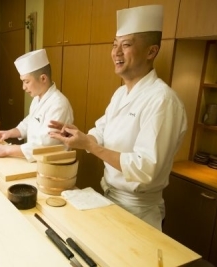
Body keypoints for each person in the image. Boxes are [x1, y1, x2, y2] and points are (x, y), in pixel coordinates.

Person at [49, 5, 187, 231]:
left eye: (126, 45)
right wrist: (79, 136)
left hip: (139, 211)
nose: (116, 53)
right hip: (109, 199)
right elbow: (101, 130)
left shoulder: (163, 101)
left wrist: (90, 147)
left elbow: (146, 168)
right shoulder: (120, 93)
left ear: (151, 52)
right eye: (115, 45)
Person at [0, 49, 74, 162]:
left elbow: (44, 144)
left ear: (43, 78)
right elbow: (29, 122)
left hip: (52, 167)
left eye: (26, 82)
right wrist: (9, 133)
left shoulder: (59, 104)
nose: (23, 87)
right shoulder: (37, 98)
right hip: (35, 160)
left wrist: (8, 150)